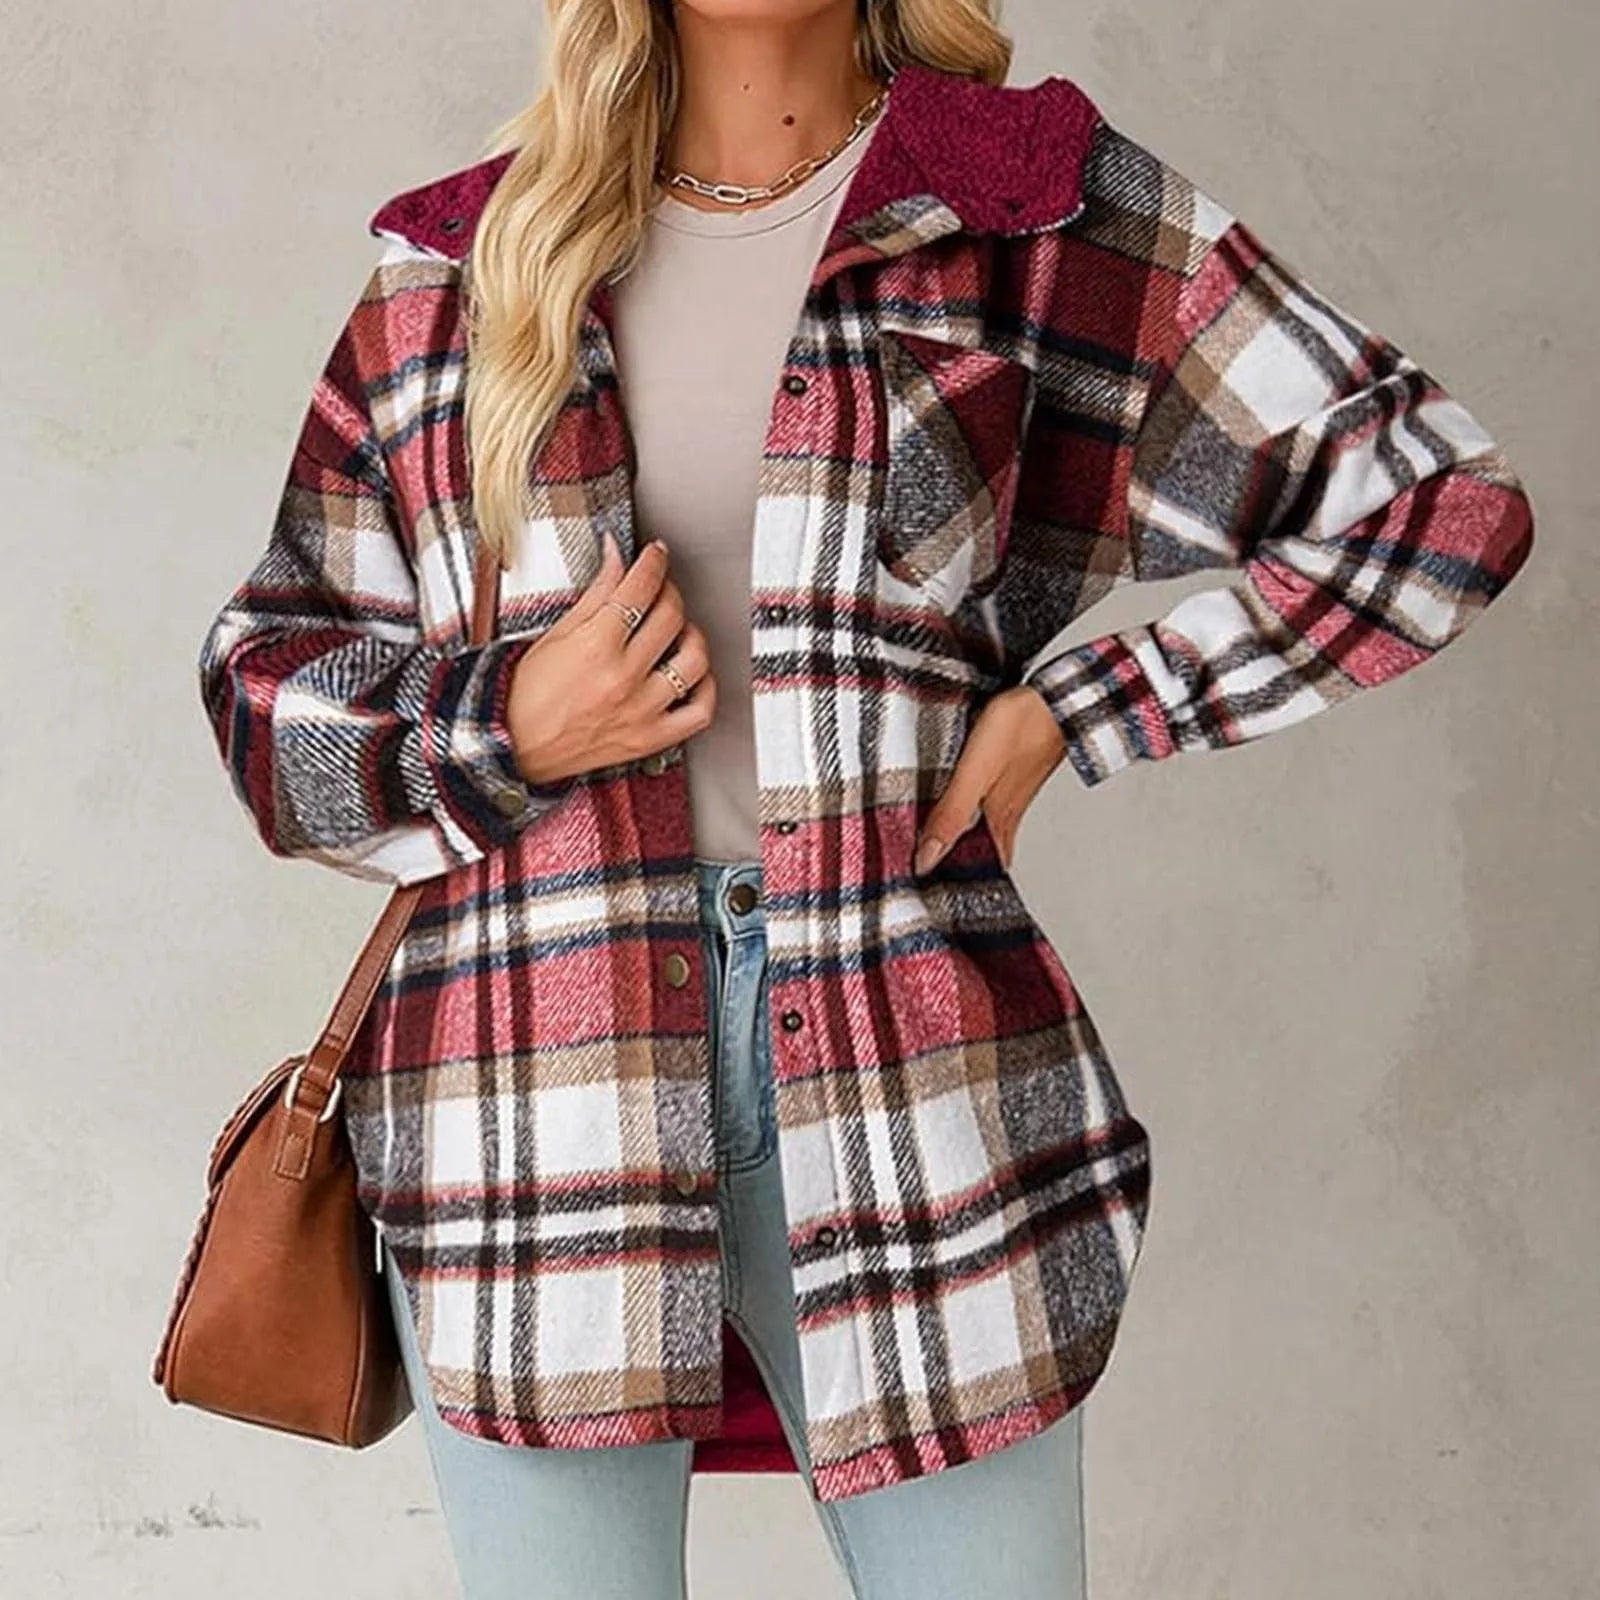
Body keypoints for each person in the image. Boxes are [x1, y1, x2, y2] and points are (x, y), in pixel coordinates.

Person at [193, 0, 1534, 1595]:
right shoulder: (465, 262)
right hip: (529, 1086)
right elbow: (265, 690)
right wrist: (509, 726)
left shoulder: (1023, 206)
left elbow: (1438, 502)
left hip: (907, 1067)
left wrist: (1073, 712)